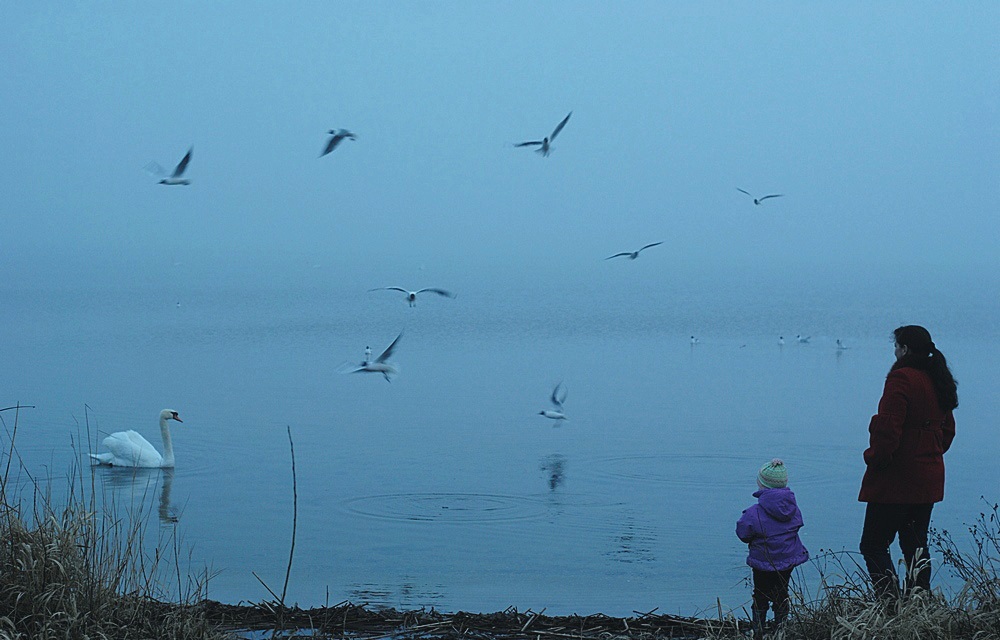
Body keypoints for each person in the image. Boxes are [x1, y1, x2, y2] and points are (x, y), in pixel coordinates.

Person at [859, 325, 958, 601]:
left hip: (896, 478)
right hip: (929, 477)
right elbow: (947, 431)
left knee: (873, 544)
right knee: (915, 545)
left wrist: (875, 459)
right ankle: (918, 601)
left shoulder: (901, 378)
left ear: (904, 349)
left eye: (896, 346)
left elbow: (888, 428)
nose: (894, 352)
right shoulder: (938, 377)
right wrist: (928, 453)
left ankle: (889, 604)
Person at [737, 458, 809, 639]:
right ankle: (781, 630)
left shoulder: (754, 512)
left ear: (761, 485)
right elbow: (798, 525)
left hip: (762, 562)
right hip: (787, 561)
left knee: (760, 594)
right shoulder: (793, 509)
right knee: (782, 593)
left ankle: (758, 631)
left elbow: (743, 533)